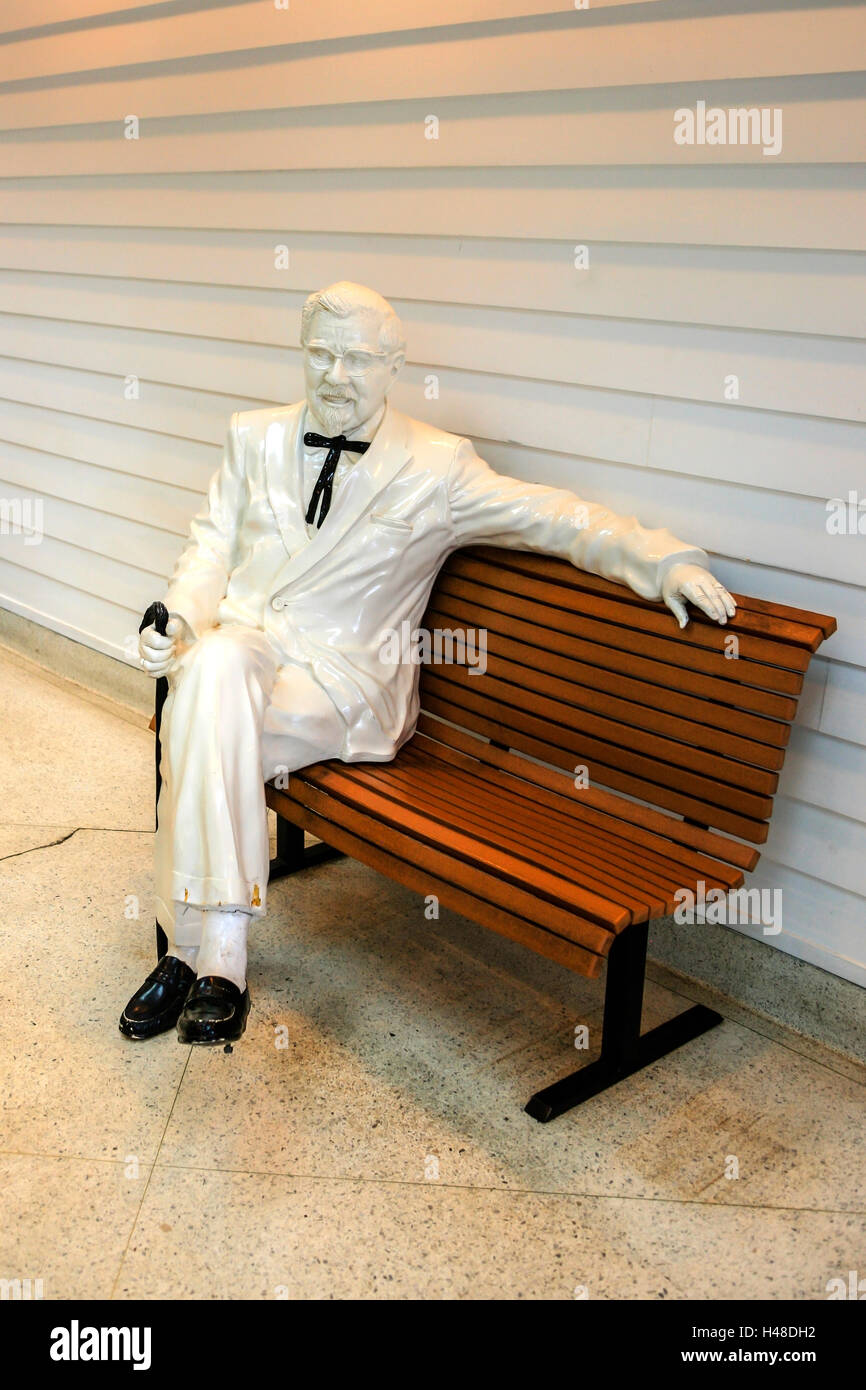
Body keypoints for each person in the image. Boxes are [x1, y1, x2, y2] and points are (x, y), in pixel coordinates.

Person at [119, 282, 735, 1046]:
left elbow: (553, 518)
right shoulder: (254, 436)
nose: (335, 376)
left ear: (394, 364)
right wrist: (178, 616)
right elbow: (210, 546)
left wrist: (661, 558)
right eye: (320, 353)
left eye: (357, 358)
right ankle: (222, 957)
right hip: (247, 648)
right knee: (209, 672)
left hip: (343, 683)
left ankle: (185, 945)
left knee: (197, 719)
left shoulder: (437, 467)